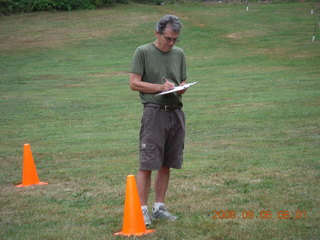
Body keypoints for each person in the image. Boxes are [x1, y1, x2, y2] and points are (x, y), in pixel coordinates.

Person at [129, 14, 188, 226]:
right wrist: (159, 88)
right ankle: (142, 210)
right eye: (168, 38)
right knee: (147, 163)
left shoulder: (179, 54)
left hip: (175, 111)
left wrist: (179, 87)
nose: (171, 43)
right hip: (154, 112)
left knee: (167, 162)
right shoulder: (143, 52)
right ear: (157, 33)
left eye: (175, 39)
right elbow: (134, 83)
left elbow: (182, 79)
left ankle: (159, 207)